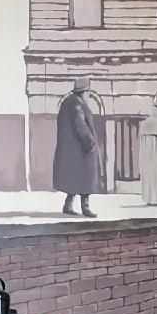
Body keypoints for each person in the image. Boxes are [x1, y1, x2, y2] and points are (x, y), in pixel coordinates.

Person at [53, 77, 101, 218]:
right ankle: (85, 208)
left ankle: (68, 206)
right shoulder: (78, 105)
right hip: (81, 150)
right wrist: (90, 143)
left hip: (71, 150)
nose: (88, 95)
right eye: (88, 92)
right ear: (84, 92)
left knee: (73, 179)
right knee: (85, 179)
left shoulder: (68, 102)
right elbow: (81, 127)